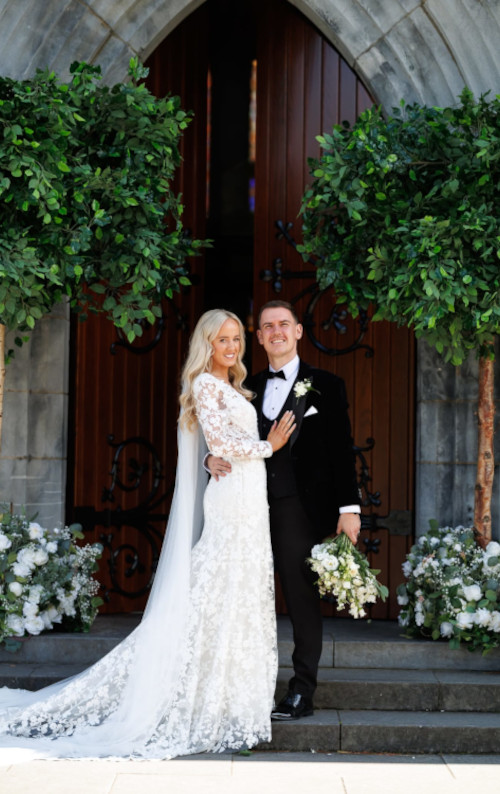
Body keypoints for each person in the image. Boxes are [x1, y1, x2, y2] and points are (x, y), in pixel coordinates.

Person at [0, 309, 295, 760]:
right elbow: (221, 444)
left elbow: (211, 445)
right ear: (207, 345)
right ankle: (193, 692)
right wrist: (268, 446)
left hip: (251, 498)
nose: (232, 347)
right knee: (216, 585)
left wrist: (216, 457)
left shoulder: (236, 386)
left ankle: (232, 697)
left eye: (236, 338)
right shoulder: (204, 384)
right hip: (232, 499)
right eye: (222, 340)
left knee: (239, 590)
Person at [207, 300, 361, 721]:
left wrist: (350, 508)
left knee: (300, 597)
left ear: (297, 331)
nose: (276, 331)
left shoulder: (326, 384)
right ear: (258, 337)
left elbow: (341, 450)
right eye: (267, 326)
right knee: (243, 595)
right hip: (246, 504)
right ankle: (242, 689)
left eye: (283, 324)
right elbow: (218, 435)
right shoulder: (245, 387)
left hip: (298, 507)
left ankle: (301, 690)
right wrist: (208, 459)